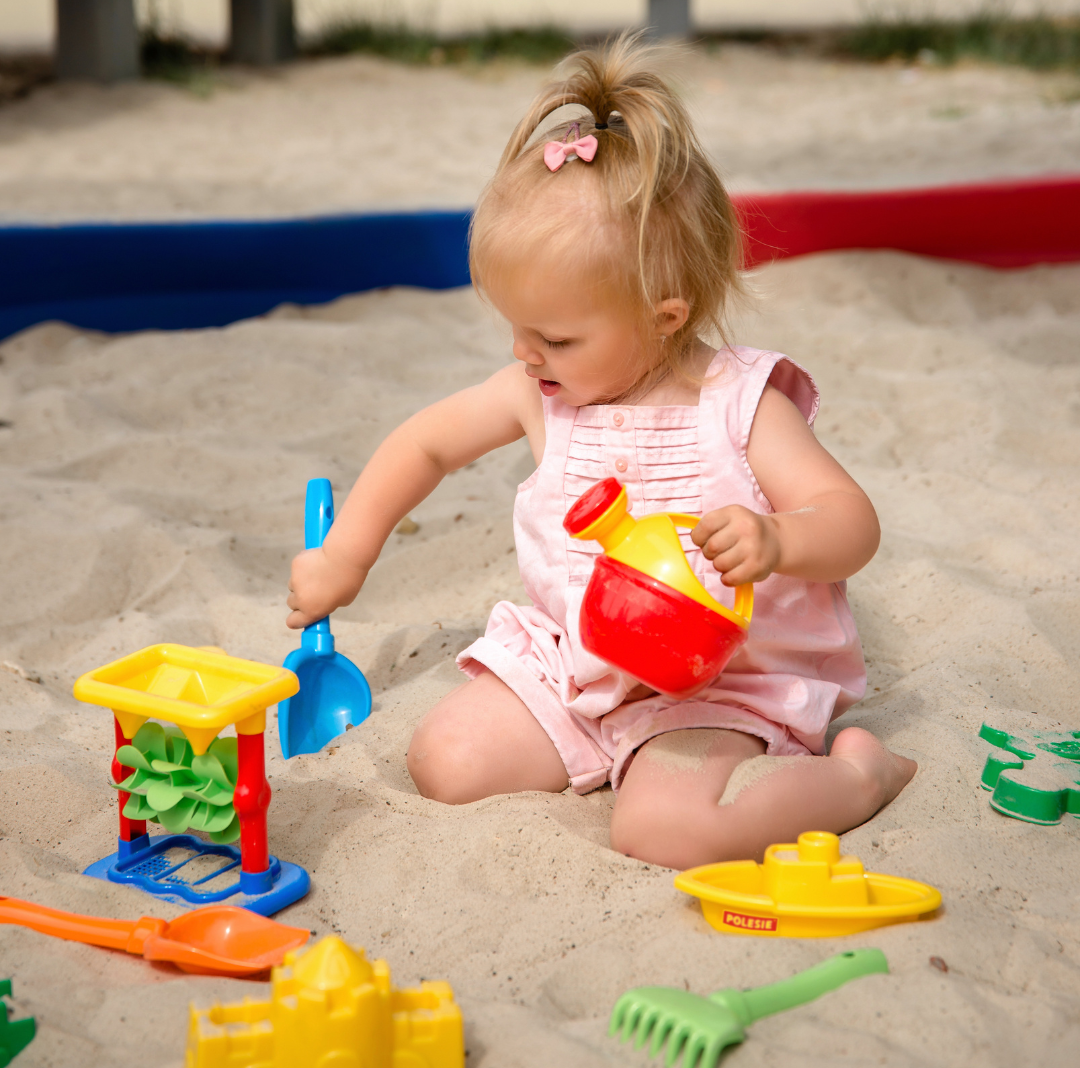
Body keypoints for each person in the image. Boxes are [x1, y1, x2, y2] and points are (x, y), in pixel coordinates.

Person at [286, 34, 916, 871]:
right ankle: (608, 751)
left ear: (663, 316)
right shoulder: (538, 392)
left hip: (716, 684)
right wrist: (346, 554)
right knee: (446, 761)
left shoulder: (739, 403)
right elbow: (428, 443)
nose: (525, 355)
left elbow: (852, 522)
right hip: (578, 669)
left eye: (554, 337)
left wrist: (778, 539)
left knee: (662, 833)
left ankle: (858, 779)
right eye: (514, 327)